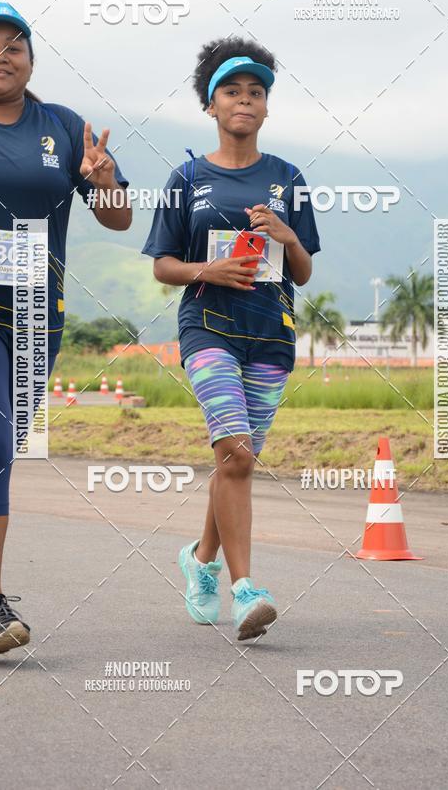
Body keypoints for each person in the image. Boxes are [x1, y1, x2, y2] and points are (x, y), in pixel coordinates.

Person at [0, 1, 130, 655]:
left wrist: (105, 181)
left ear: (30, 60)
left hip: (33, 314)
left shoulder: (65, 126)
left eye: (13, 45)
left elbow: (117, 219)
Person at [142, 37, 321, 641]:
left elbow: (302, 272)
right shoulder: (187, 177)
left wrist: (287, 235)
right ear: (211, 106)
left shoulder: (288, 178)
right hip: (207, 328)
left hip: (271, 335)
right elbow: (162, 264)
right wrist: (208, 272)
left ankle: (199, 560)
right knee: (238, 455)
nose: (245, 101)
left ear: (266, 108)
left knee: (233, 462)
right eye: (231, 92)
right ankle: (247, 590)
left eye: (256, 92)